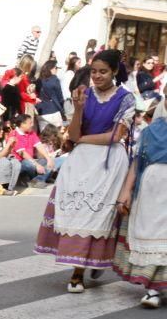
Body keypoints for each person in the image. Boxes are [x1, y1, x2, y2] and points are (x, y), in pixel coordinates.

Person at [34, 49, 135, 293]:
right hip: (81, 160)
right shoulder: (83, 94)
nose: (97, 76)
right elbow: (75, 133)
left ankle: (79, 272)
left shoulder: (126, 98)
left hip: (108, 161)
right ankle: (80, 266)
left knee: (98, 214)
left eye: (103, 71)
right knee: (76, 212)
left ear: (114, 72)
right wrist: (79, 109)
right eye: (94, 71)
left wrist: (82, 140)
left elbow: (115, 136)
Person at [113, 101, 167, 308]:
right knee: (153, 236)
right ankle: (152, 289)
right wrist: (125, 192)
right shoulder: (151, 131)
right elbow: (138, 162)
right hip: (152, 189)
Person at [35, 59, 66, 129]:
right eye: (56, 68)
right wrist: (63, 110)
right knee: (57, 135)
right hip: (54, 110)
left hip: (41, 111)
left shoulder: (39, 80)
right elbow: (60, 97)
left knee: (44, 136)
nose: (57, 70)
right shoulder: (54, 80)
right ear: (51, 69)